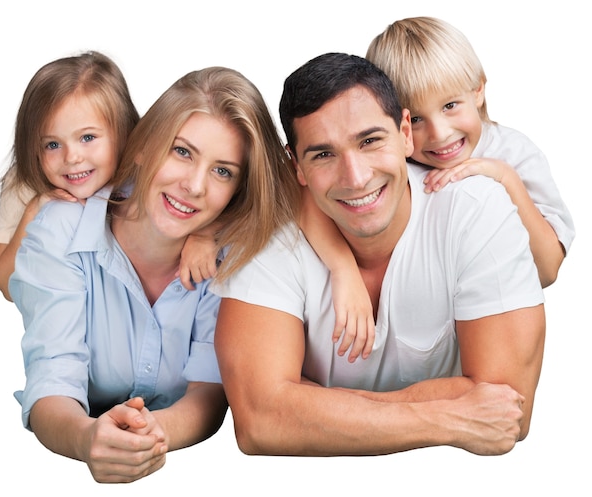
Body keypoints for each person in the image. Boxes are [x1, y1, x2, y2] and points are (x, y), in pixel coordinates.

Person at [213, 53, 546, 457]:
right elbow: (261, 421)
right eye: (323, 154)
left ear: (405, 133)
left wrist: (312, 409)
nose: (355, 178)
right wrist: (449, 418)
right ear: (296, 166)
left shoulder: (475, 208)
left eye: (370, 141)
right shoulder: (269, 236)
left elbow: (508, 410)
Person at [9, 66, 298, 483]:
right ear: (144, 145)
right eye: (182, 152)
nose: (194, 185)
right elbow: (52, 375)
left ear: (239, 188)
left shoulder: (236, 258)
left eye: (223, 171)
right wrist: (86, 437)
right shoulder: (61, 230)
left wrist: (153, 435)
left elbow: (210, 390)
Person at [298, 17, 575, 361]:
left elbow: (548, 270)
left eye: (449, 106)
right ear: (397, 124)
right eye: (416, 119)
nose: (440, 134)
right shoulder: (390, 160)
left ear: (478, 90)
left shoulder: (513, 154)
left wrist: (503, 178)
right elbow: (303, 194)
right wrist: (343, 269)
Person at [0, 51, 139, 302]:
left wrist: (201, 239)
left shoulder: (146, 173)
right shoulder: (26, 182)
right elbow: (6, 285)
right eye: (52, 145)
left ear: (123, 132)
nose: (71, 158)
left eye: (87, 138)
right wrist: (33, 210)